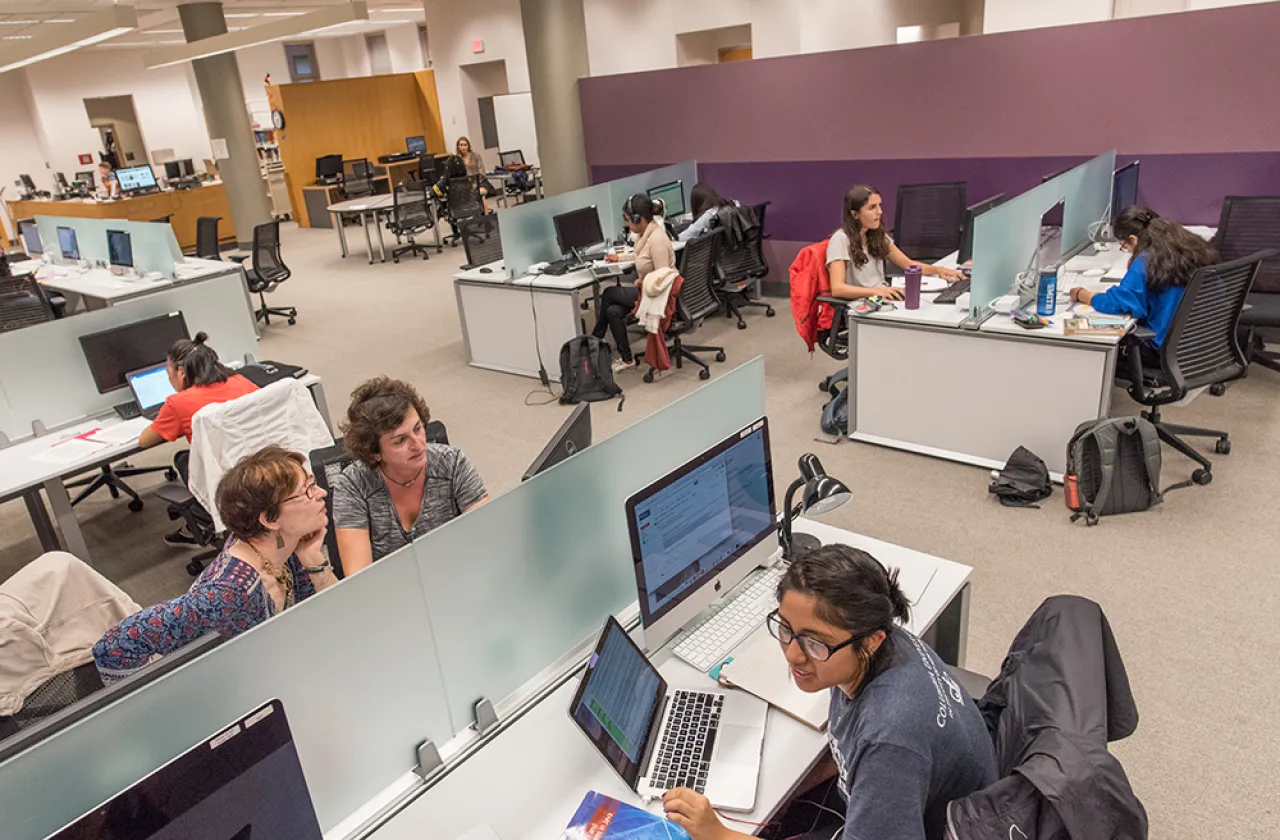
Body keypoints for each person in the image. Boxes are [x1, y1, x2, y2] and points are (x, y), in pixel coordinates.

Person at [663, 544, 997, 840]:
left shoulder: (890, 738)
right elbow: (850, 753)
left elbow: (878, 756)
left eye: (815, 642)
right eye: (785, 629)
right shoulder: (886, 644)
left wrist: (719, 834)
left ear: (870, 641)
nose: (793, 655)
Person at [93, 446, 337, 684]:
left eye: (312, 484)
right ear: (269, 519)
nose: (321, 494)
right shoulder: (227, 594)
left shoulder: (285, 548)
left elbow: (329, 618)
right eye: (306, 491)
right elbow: (114, 646)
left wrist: (313, 559)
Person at [332, 377, 488, 574]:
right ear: (374, 452)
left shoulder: (452, 463)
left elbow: (488, 533)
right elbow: (360, 578)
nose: (418, 444)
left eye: (418, 428)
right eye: (400, 441)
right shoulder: (353, 486)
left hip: (456, 576)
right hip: (391, 593)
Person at [137, 332, 259, 546]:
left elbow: (144, 441)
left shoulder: (179, 403)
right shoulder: (241, 382)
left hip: (228, 481)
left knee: (184, 459)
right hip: (260, 465)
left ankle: (204, 520)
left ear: (182, 372)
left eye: (169, 373)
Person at [1069, 205, 1217, 352]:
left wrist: (1084, 295)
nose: (1127, 251)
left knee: (1073, 327)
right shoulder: (1189, 245)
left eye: (1124, 247)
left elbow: (1121, 304)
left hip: (1162, 348)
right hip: (1203, 343)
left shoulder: (1147, 261)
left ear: (1133, 240)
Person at [827, 185, 965, 301]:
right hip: (862, 303)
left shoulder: (876, 235)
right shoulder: (840, 239)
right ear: (855, 214)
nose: (879, 212)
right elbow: (838, 289)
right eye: (872, 207)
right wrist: (877, 292)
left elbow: (908, 265)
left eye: (879, 206)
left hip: (883, 296)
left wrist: (938, 270)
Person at [593, 194, 677, 372]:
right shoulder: (647, 234)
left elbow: (662, 279)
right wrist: (619, 258)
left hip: (659, 297)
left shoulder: (657, 240)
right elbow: (641, 256)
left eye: (627, 220)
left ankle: (595, 339)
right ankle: (626, 359)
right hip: (647, 291)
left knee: (608, 293)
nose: (626, 225)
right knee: (612, 311)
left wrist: (640, 284)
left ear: (638, 219)